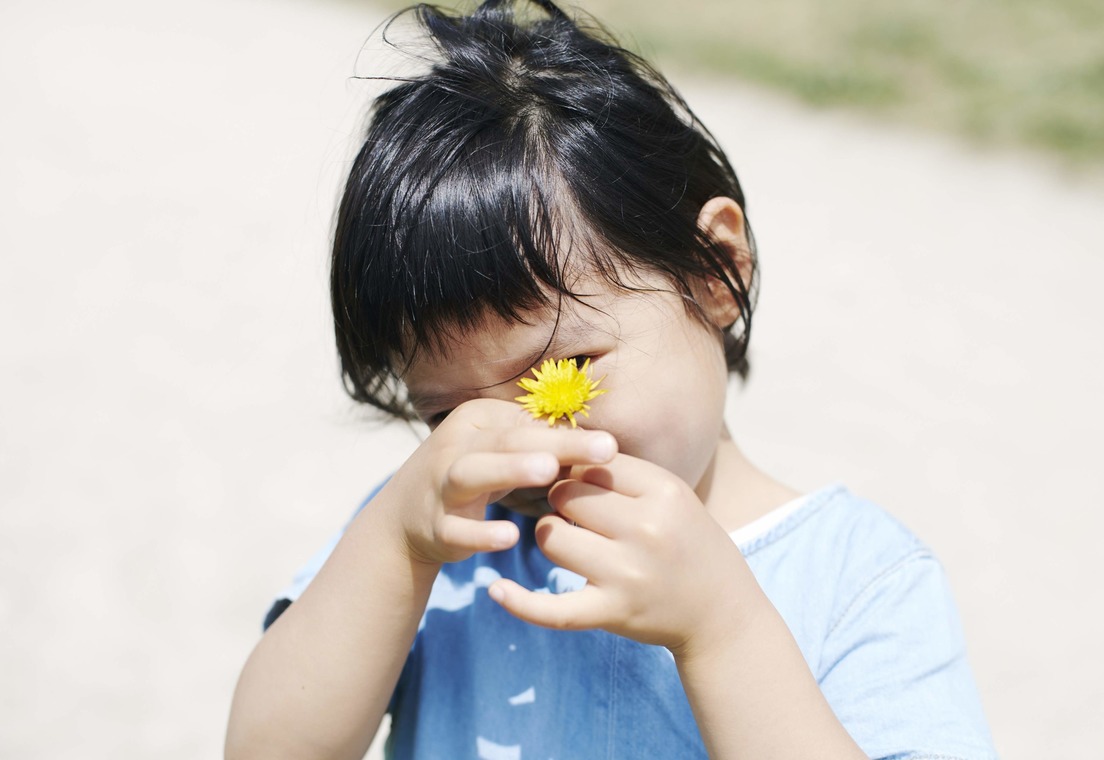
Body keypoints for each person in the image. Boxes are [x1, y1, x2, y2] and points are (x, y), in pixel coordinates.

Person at [225, 1, 997, 758]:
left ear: (717, 270)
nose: (521, 446)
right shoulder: (445, 538)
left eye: (561, 374)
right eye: (448, 416)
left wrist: (722, 631)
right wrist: (397, 544)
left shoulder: (860, 582)